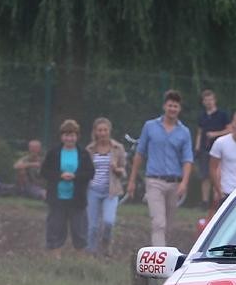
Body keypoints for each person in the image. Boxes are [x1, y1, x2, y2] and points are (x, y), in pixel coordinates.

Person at [126, 89, 193, 247]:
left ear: (179, 109)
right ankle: (158, 258)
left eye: (175, 106)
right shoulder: (150, 126)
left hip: (174, 183)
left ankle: (164, 253)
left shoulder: (184, 132)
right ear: (164, 106)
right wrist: (132, 180)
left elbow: (188, 160)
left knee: (169, 225)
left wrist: (184, 182)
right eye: (170, 105)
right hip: (154, 181)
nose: (172, 109)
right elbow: (140, 153)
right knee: (158, 222)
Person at [41, 119, 94, 254]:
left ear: (77, 136)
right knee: (55, 228)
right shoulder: (54, 153)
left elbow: (90, 173)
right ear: (61, 136)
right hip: (57, 197)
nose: (69, 138)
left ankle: (81, 259)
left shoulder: (83, 154)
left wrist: (75, 176)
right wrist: (60, 175)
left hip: (77, 199)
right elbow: (44, 171)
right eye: (66, 135)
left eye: (72, 135)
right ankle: (55, 257)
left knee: (79, 230)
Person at [85, 117, 127, 256]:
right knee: (93, 226)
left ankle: (105, 246)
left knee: (109, 222)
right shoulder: (89, 149)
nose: (102, 133)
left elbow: (123, 170)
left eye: (105, 130)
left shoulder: (118, 148)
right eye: (99, 130)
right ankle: (91, 252)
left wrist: (117, 169)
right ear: (95, 132)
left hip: (111, 191)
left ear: (109, 131)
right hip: (93, 190)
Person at [193, 88, 230, 203]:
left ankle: (218, 198)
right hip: (205, 149)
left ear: (215, 100)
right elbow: (199, 132)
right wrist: (197, 147)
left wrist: (215, 134)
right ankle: (204, 201)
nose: (209, 102)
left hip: (219, 150)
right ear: (203, 102)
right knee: (205, 176)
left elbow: (229, 130)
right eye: (206, 100)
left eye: (211, 99)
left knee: (218, 175)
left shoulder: (222, 115)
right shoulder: (202, 116)